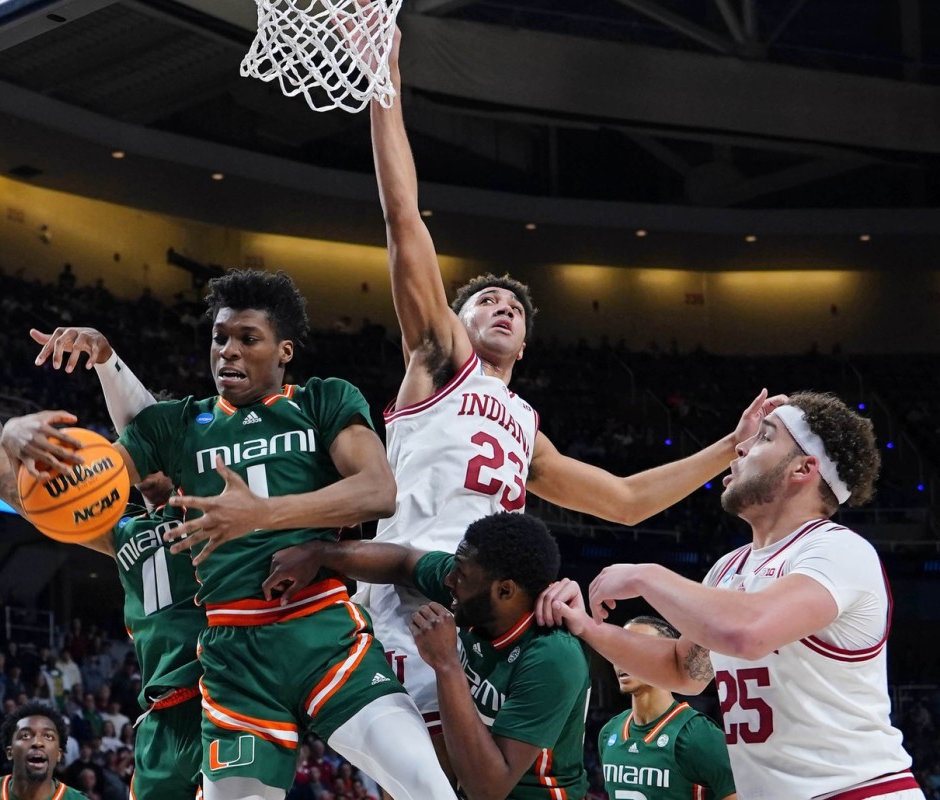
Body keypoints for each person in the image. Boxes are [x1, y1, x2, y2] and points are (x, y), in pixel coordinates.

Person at [365, 24, 783, 753]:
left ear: (526, 344)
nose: (503, 307)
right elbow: (404, 219)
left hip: (489, 613)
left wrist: (728, 447)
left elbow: (623, 503)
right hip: (410, 597)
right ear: (452, 322)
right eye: (486, 301)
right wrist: (383, 82)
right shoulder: (438, 360)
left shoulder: (524, 423)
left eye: (516, 308)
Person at [0, 271, 454, 800]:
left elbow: (378, 490)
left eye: (247, 339)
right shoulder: (178, 426)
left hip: (321, 630)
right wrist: (19, 437)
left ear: (284, 351)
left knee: (428, 786)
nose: (228, 353)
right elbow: (86, 477)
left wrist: (260, 514)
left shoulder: (321, 401)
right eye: (220, 338)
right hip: (233, 657)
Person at [540, 392, 921, 800]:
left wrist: (646, 576)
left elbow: (749, 632)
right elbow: (682, 669)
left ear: (803, 468)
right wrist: (586, 627)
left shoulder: (838, 550)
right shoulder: (727, 569)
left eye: (764, 439)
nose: (741, 447)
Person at [0, 287, 204, 800]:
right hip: (159, 719)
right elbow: (6, 485)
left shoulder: (218, 507)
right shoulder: (123, 527)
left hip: (220, 698)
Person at [265, 511, 589, 800]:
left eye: (459, 574)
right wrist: (320, 553)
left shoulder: (551, 656)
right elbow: (403, 561)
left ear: (505, 591)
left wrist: (446, 663)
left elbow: (487, 790)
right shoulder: (478, 595)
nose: (449, 579)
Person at [598, 617, 735, 800]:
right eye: (620, 647)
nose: (623, 658)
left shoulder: (700, 736)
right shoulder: (609, 733)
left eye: (636, 648)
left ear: (667, 658)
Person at [0, 702, 89, 800]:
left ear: (58, 754)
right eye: (25, 735)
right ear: (10, 752)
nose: (37, 743)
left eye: (48, 736)